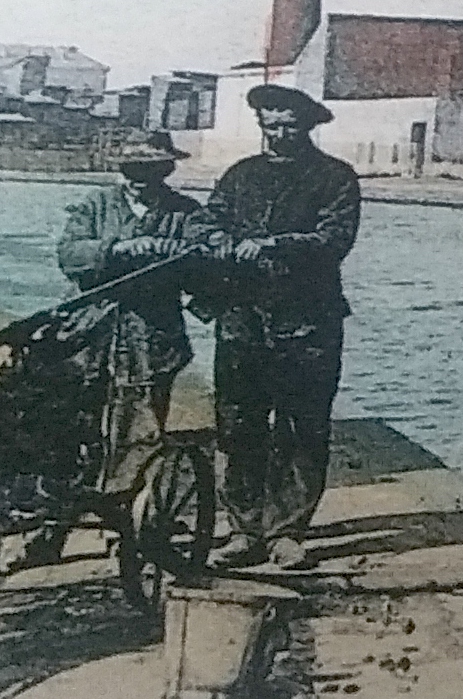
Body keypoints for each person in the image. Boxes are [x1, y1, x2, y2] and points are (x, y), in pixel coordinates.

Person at [206, 84, 359, 571]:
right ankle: (243, 528)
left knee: (302, 426)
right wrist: (217, 241)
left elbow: (334, 239)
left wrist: (273, 245)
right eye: (269, 126)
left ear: (308, 126)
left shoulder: (335, 178)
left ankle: (288, 531)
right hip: (242, 322)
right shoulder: (240, 175)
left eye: (288, 126)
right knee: (237, 424)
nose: (277, 135)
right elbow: (210, 221)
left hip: (308, 323)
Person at [55, 131, 221, 496]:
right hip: (87, 330)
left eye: (146, 169)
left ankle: (126, 508)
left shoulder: (187, 212)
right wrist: (119, 249)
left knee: (141, 422)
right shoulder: (95, 204)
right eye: (130, 168)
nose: (136, 178)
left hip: (152, 335)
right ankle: (62, 513)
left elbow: (206, 263)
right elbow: (69, 255)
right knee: (75, 419)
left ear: (165, 169)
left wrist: (177, 253)